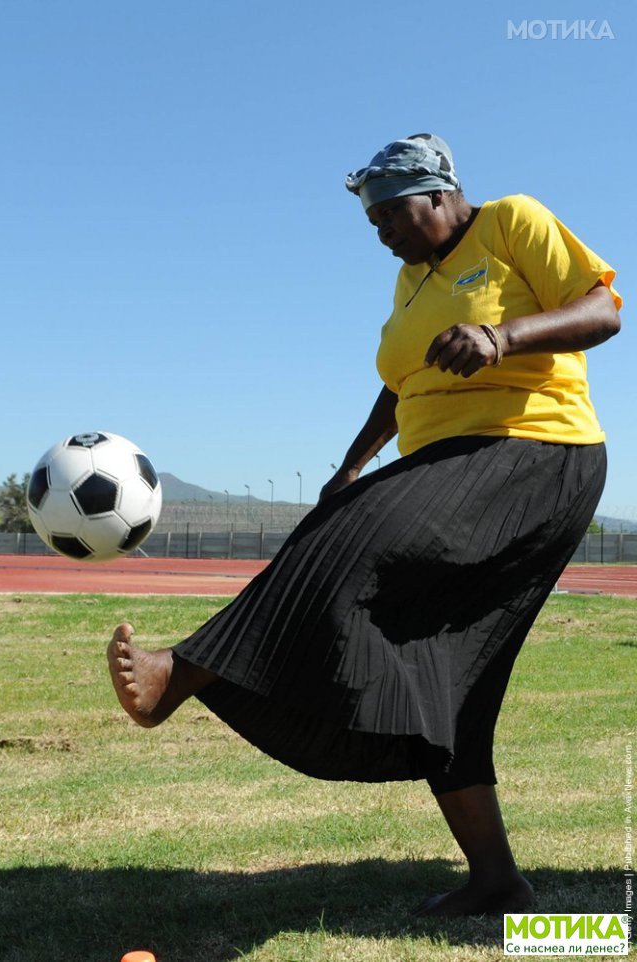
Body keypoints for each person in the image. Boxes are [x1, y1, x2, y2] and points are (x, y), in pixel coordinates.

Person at [107, 133, 621, 916]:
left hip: (534, 452)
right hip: (446, 459)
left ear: (440, 194)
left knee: (342, 546)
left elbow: (603, 310)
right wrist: (351, 468)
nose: (382, 233)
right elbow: (400, 383)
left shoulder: (511, 221)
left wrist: (500, 336)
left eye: (391, 215)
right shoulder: (413, 281)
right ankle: (496, 880)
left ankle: (180, 674)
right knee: (449, 677)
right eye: (373, 221)